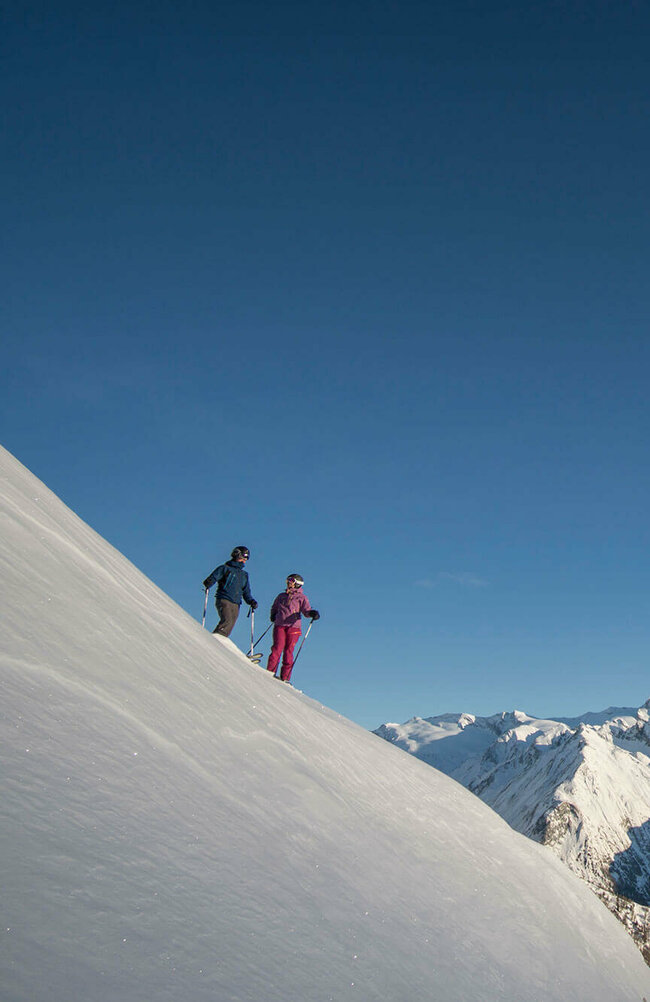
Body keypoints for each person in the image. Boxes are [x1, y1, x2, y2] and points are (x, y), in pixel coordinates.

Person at [266, 574, 320, 683]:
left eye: (291, 580)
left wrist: (312, 613)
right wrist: (273, 615)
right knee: (277, 648)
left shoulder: (301, 597)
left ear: (297, 583)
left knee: (288, 651)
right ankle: (269, 672)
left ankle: (285, 677)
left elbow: (306, 611)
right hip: (280, 625)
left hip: (293, 627)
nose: (288, 582)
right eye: (288, 580)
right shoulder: (281, 596)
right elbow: (275, 606)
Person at [203, 546, 257, 637]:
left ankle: (221, 640)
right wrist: (209, 581)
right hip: (224, 599)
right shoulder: (225, 568)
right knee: (227, 620)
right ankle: (216, 639)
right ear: (236, 555)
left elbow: (246, 591)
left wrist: (251, 601)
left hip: (236, 603)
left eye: (246, 558)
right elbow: (214, 576)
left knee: (231, 623)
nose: (244, 561)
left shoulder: (244, 575)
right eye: (242, 557)